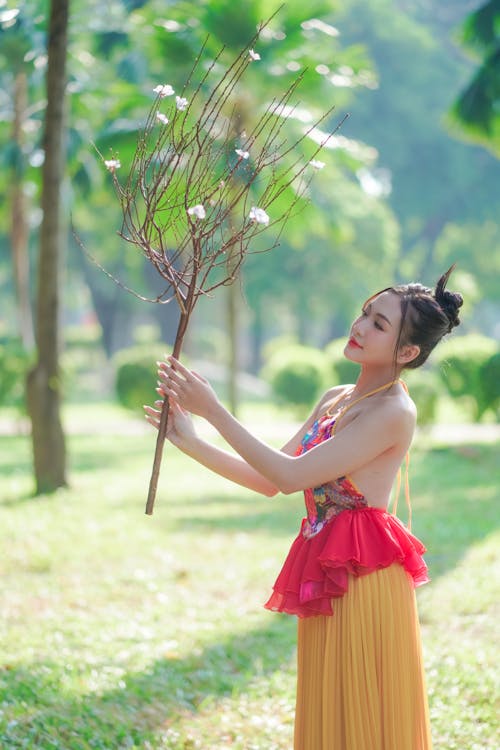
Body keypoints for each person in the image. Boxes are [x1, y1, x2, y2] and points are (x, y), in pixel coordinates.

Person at [144, 266, 463, 750]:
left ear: (407, 352)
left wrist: (214, 410)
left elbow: (290, 477)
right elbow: (270, 480)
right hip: (326, 569)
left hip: (363, 576)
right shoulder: (336, 399)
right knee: (329, 706)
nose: (359, 327)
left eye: (379, 324)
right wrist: (190, 440)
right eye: (364, 314)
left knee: (363, 710)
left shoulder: (393, 412)